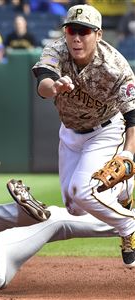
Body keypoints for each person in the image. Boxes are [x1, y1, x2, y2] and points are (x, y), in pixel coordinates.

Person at [32, 4, 135, 268]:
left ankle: (129, 225)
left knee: (83, 190)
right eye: (71, 30)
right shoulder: (57, 49)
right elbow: (43, 83)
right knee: (75, 207)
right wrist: (53, 86)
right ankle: (124, 189)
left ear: (98, 34)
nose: (76, 38)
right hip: (70, 133)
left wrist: (128, 152)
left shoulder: (115, 67)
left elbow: (134, 116)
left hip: (106, 130)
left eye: (84, 31)